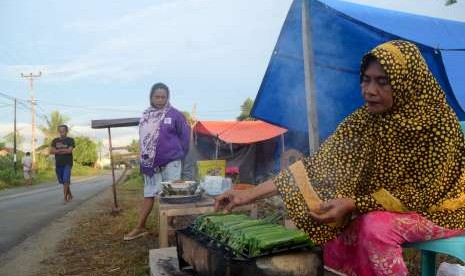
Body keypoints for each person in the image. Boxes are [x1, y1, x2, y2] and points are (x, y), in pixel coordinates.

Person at [215, 40, 465, 275]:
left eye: (382, 81)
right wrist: (247, 194)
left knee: (375, 227)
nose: (370, 90)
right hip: (386, 208)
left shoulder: (437, 123)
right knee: (333, 227)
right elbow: (315, 168)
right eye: (366, 80)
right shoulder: (364, 121)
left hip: (443, 208)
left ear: (406, 82)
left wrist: (353, 203)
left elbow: (423, 195)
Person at [124, 82, 190, 241]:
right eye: (157, 97)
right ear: (151, 97)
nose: (160, 100)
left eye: (163, 97)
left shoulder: (175, 115)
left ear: (168, 98)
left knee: (171, 194)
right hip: (150, 163)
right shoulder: (146, 116)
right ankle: (140, 227)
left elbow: (185, 137)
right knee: (149, 194)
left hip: (171, 161)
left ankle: (168, 226)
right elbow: (144, 140)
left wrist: (177, 154)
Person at [50, 125, 75, 203]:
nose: (62, 132)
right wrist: (64, 150)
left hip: (67, 163)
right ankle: (70, 194)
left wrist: (58, 150)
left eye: (63, 130)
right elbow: (51, 151)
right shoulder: (55, 141)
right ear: (58, 131)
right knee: (63, 181)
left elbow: (69, 151)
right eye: (60, 130)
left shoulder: (70, 140)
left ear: (66, 131)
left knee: (65, 179)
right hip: (58, 163)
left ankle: (65, 198)